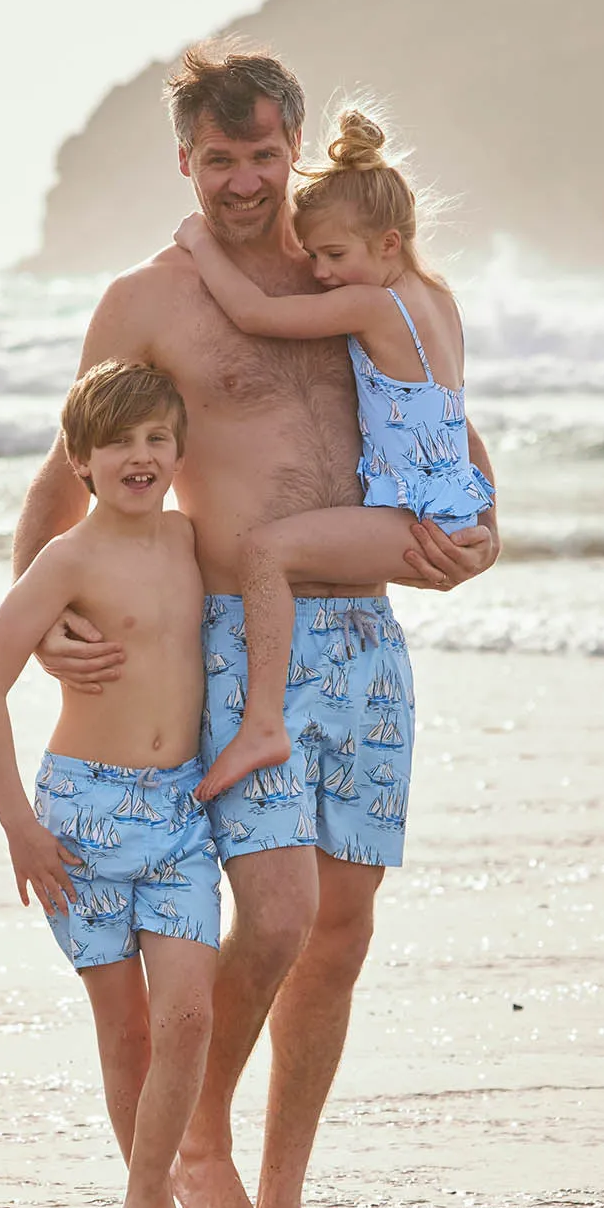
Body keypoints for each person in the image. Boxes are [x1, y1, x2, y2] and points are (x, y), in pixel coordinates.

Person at [13, 44, 500, 1208]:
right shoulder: (148, 299)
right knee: (276, 913)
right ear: (185, 160)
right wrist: (44, 622)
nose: (241, 180)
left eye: (262, 154)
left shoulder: (350, 271)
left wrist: (483, 519)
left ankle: (282, 1199)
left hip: (366, 638)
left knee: (341, 930)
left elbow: (439, 411)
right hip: (242, 638)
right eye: (217, 158)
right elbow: (63, 466)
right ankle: (199, 1141)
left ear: (293, 150)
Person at [0, 360, 221, 1208]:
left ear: (180, 450)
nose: (140, 456)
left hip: (180, 810)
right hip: (82, 815)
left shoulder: (196, 541)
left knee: (189, 1014)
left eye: (157, 438)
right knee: (127, 1029)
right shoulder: (66, 559)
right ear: (80, 458)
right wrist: (18, 829)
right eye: (118, 442)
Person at [173, 108, 495, 800]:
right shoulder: (438, 299)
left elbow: (256, 315)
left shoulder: (374, 306)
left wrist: (200, 244)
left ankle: (261, 723)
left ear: (387, 243)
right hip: (451, 507)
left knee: (263, 552)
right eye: (312, 255)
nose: (320, 272)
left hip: (414, 516)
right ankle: (267, 722)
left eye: (333, 256)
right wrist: (489, 524)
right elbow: (459, 424)